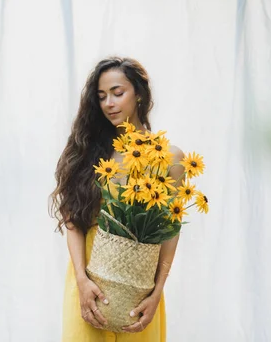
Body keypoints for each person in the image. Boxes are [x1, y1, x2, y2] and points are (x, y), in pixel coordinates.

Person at [49, 56, 185, 341]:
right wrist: (82, 281)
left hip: (140, 287)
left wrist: (157, 291)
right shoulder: (91, 152)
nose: (109, 103)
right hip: (89, 278)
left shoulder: (170, 158)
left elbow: (170, 232)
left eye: (117, 93)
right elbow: (73, 220)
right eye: (101, 97)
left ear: (139, 93)